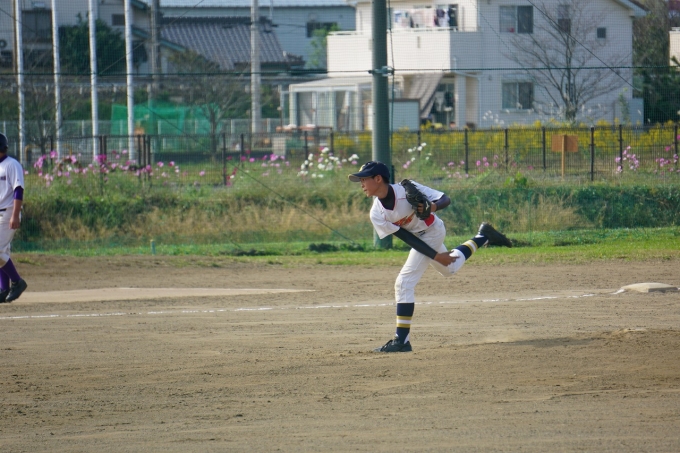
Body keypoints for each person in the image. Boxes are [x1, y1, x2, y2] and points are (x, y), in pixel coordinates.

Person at [348, 161, 512, 352]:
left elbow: (445, 199)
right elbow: (406, 237)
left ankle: (402, 341)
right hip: (419, 238)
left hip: (433, 231)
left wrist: (433, 207)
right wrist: (435, 255)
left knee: (404, 283)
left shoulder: (405, 190)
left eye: (364, 179)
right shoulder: (377, 213)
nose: (361, 184)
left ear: (378, 179)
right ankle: (484, 236)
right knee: (449, 269)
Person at [0, 133, 27, 303]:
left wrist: (15, 215)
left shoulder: (12, 164)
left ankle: (17, 282)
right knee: (2, 252)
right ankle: (4, 289)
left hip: (8, 213)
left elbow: (18, 190)